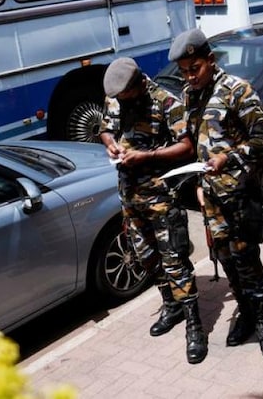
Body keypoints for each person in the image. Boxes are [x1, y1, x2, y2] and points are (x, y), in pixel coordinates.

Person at [168, 28, 263, 361]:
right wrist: (198, 186)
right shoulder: (191, 95)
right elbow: (195, 147)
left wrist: (227, 157)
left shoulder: (238, 91)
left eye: (195, 69)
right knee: (227, 260)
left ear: (211, 60)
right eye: (185, 71)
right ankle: (245, 314)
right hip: (212, 198)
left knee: (247, 259)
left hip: (241, 195)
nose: (190, 76)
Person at [99, 57, 207, 364]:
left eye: (125, 95)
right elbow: (105, 128)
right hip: (130, 197)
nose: (120, 101)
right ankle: (170, 306)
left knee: (175, 260)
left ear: (137, 85)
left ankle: (195, 325)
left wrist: (148, 156)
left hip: (161, 196)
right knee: (146, 257)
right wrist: (111, 144)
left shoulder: (165, 102)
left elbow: (187, 146)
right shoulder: (115, 98)